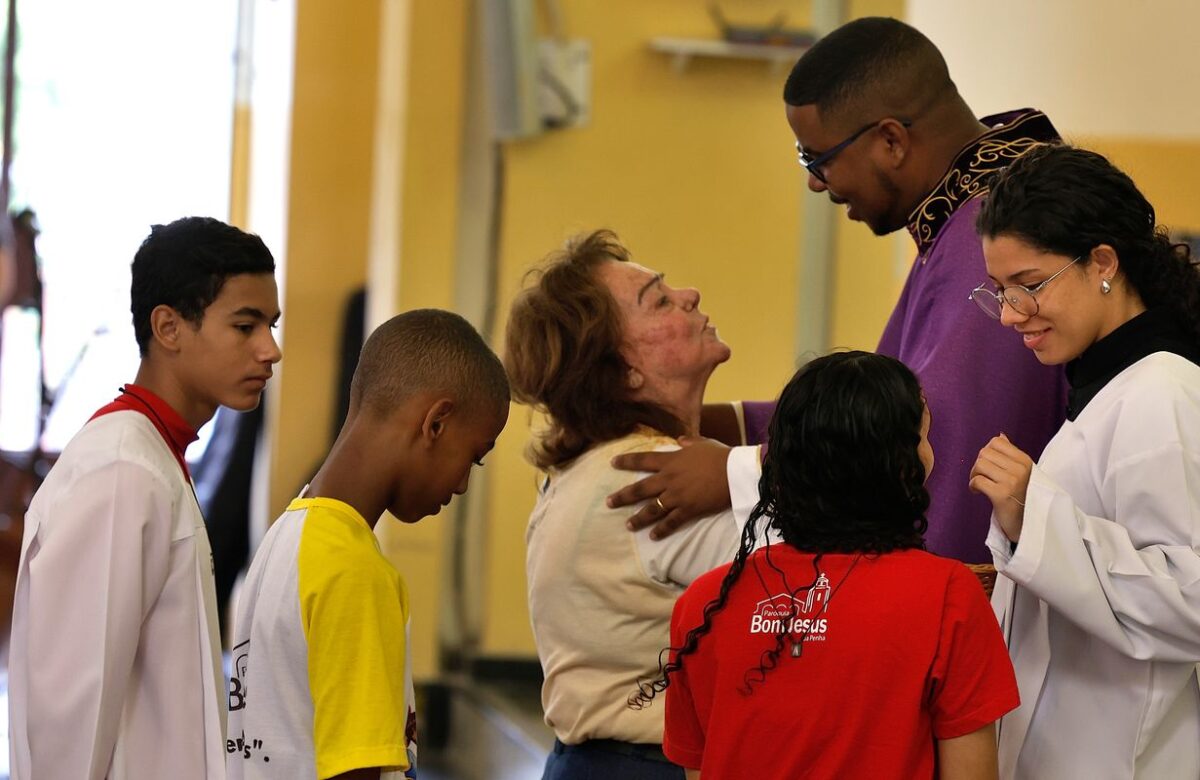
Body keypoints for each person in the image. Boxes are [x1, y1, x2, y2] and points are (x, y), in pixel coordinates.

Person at [607, 16, 1067, 567]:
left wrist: (743, 470)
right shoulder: (966, 207)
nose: (814, 183)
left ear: (891, 140)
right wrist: (716, 422)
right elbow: (874, 404)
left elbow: (939, 437)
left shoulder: (994, 232)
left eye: (816, 159)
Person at [643, 351, 1017, 779]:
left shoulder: (703, 602)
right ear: (900, 466)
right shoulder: (949, 595)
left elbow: (699, 770)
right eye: (924, 436)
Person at [8, 216, 282, 780]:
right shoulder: (121, 470)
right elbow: (71, 714)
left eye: (271, 326)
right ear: (169, 327)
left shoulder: (156, 454)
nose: (270, 350)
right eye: (246, 325)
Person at [967, 144, 1200, 778]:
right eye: (998, 291)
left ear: (1102, 262)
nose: (1012, 315)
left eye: (1029, 285)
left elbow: (1190, 599)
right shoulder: (1110, 384)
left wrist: (1031, 520)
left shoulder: (1161, 393)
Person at [505, 230, 748, 779]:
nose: (689, 294)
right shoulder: (653, 475)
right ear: (623, 371)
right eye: (660, 300)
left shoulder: (590, 465)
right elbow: (804, 577)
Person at [227, 309, 509, 780]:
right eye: (473, 459)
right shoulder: (355, 572)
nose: (461, 486)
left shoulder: (290, 533)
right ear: (436, 423)